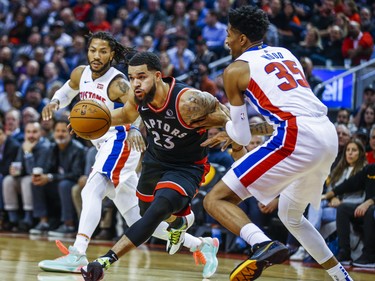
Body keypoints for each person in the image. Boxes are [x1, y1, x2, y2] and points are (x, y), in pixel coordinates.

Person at [191, 6, 353, 281]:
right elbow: (282, 116)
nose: (227, 40)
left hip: (297, 136)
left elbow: (242, 138)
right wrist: (235, 131)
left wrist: (226, 124)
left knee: (215, 199)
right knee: (291, 216)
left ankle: (262, 243)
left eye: (229, 34)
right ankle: (342, 277)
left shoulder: (235, 70)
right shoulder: (286, 54)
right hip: (326, 133)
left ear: (242, 38)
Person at [39, 32, 219, 279]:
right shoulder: (80, 73)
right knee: (136, 217)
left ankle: (78, 253)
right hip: (102, 145)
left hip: (120, 140)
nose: (97, 55)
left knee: (91, 189)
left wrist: (134, 129)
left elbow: (134, 108)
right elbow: (67, 90)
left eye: (103, 51)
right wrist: (54, 103)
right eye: (93, 50)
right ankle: (200, 244)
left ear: (112, 54)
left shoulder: (119, 83)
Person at [80, 51, 272, 281]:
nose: (135, 83)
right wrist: (87, 123)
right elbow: (126, 114)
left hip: (186, 167)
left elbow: (232, 119)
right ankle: (180, 223)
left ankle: (105, 261)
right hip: (155, 160)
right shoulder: (138, 97)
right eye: (131, 78)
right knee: (144, 210)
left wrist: (233, 136)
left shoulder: (190, 101)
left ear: (158, 76)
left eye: (141, 77)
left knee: (155, 212)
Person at [322, 163, 375, 268]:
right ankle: (344, 252)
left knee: (370, 211)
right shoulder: (371, 169)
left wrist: (370, 201)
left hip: (371, 207)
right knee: (343, 209)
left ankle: (370, 255)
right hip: (367, 207)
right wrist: (330, 194)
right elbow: (351, 183)